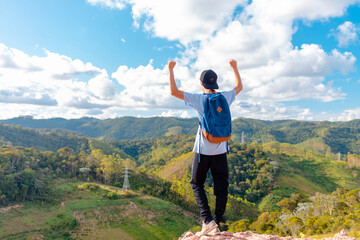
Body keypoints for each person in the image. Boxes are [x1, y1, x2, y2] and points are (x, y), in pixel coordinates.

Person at [168, 59, 243, 235]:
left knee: (196, 183)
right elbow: (239, 87)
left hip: (203, 151)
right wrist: (234, 68)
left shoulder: (199, 99)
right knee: (221, 187)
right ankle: (217, 222)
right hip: (221, 150)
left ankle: (207, 220)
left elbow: (173, 91)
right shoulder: (224, 96)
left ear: (201, 83)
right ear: (215, 83)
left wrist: (170, 69)